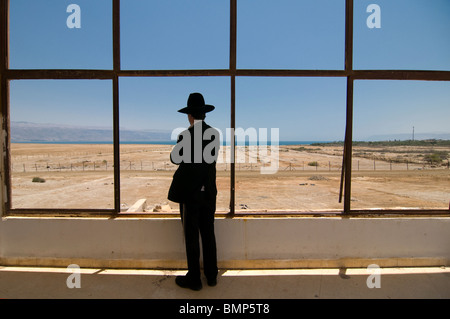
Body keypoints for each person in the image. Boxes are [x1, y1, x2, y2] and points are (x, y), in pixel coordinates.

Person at [168, 92, 220, 291]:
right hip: (208, 193)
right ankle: (212, 275)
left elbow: (175, 159)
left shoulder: (185, 135)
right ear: (204, 114)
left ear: (190, 115)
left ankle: (194, 279)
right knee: (208, 233)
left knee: (191, 236)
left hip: (190, 194)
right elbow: (209, 161)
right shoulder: (214, 134)